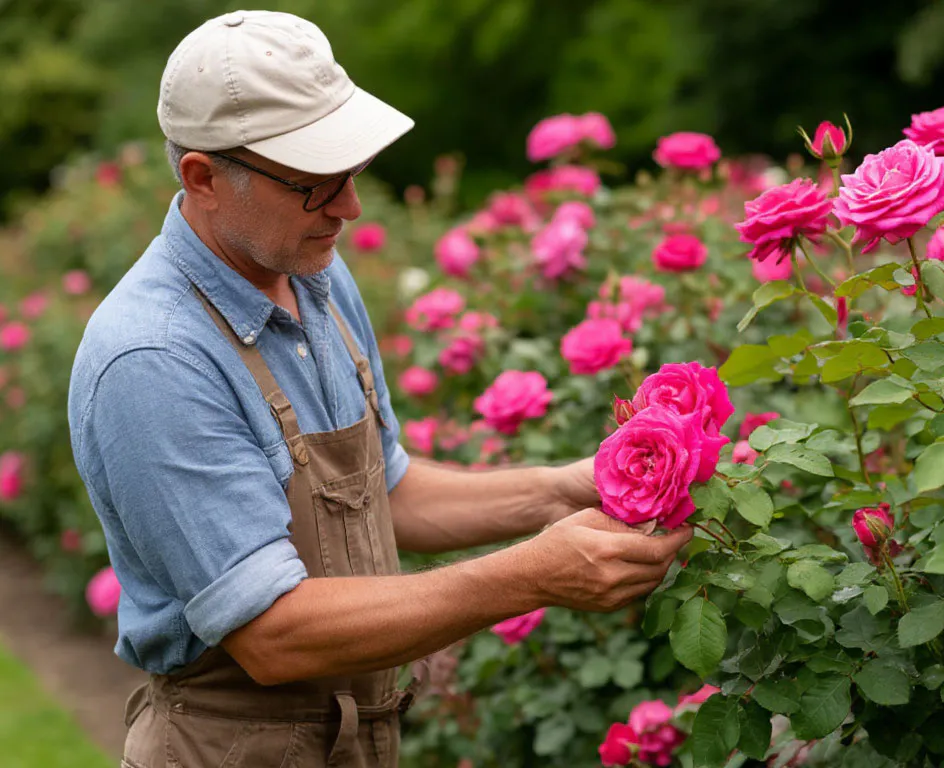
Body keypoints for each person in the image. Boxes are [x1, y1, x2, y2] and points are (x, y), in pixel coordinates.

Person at [66, 10, 691, 767]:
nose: (350, 207)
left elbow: (383, 495)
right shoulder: (154, 357)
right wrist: (532, 574)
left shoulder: (313, 275)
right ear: (202, 178)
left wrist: (564, 492)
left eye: (350, 171)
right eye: (312, 183)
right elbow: (272, 633)